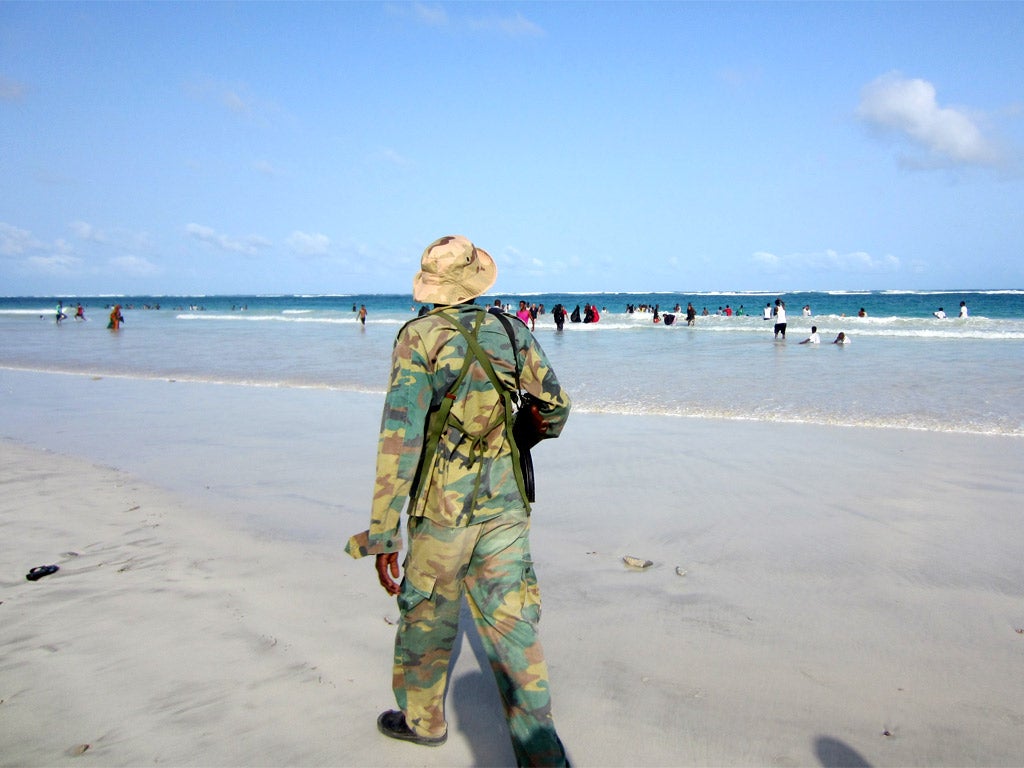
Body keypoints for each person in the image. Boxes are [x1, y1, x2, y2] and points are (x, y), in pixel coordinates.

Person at [345, 235, 571, 766]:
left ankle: (423, 722)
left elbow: (400, 440)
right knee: (513, 624)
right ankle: (541, 752)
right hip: (506, 504)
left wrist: (382, 534)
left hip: (441, 510)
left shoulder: (418, 338)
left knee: (427, 615)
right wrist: (525, 434)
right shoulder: (511, 332)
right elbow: (556, 408)